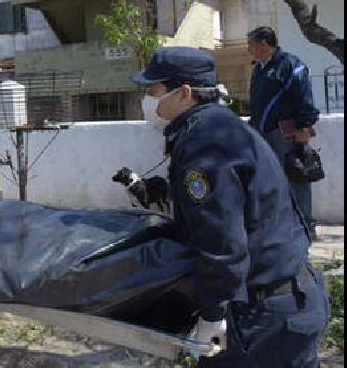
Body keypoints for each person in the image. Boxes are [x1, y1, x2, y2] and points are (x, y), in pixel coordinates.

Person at [130, 46, 328, 367]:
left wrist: (213, 313)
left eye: (153, 91)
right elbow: (236, 205)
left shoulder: (204, 140)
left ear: (184, 93)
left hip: (263, 316)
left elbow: (221, 239)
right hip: (294, 297)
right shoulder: (224, 127)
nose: (147, 100)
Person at [247, 26, 320, 239]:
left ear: (263, 43)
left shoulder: (290, 65)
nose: (249, 50)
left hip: (286, 133)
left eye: (251, 45)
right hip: (263, 133)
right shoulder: (260, 69)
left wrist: (304, 126)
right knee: (270, 179)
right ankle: (281, 224)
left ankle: (307, 226)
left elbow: (303, 97)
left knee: (297, 176)